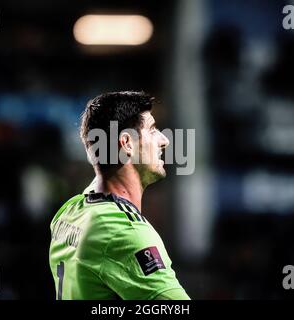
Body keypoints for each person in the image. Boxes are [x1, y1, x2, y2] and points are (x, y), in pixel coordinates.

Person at [49, 91, 190, 300]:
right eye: (152, 130)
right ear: (126, 143)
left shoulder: (69, 211)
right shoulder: (123, 232)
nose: (164, 140)